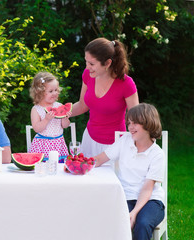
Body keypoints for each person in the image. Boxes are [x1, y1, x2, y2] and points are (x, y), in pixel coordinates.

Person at [94, 103, 165, 240]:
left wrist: (133, 213)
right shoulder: (125, 141)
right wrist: (77, 164)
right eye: (129, 123)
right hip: (125, 196)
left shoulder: (157, 154)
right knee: (111, 221)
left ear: (148, 124)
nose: (130, 127)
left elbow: (147, 190)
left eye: (135, 123)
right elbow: (99, 159)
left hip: (151, 200)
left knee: (143, 223)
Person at [70, 37, 139, 158]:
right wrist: (58, 113)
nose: (87, 67)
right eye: (86, 62)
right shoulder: (88, 75)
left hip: (115, 145)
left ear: (107, 63)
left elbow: (137, 119)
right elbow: (82, 105)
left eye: (91, 64)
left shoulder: (126, 84)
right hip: (89, 140)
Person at [28, 72, 71, 162]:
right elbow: (36, 128)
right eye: (50, 91)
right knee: (44, 168)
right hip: (42, 144)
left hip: (59, 143)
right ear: (40, 92)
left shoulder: (59, 106)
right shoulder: (36, 109)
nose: (54, 93)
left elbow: (65, 126)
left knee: (59, 169)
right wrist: (46, 120)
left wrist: (65, 118)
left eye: (56, 90)